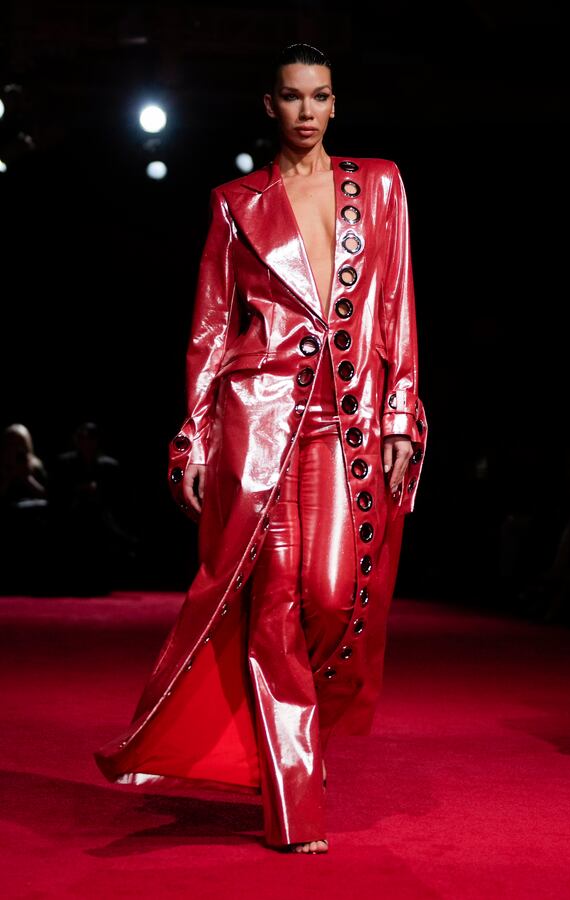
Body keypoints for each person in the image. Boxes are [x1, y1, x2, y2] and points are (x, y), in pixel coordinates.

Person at [94, 42, 428, 855]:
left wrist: (400, 415)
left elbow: (398, 312)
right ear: (268, 105)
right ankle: (292, 795)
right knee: (274, 605)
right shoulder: (234, 203)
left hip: (346, 420)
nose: (306, 111)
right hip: (261, 418)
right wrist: (193, 440)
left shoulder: (378, 186)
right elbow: (210, 331)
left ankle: (293, 741)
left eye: (319, 97)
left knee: (332, 590)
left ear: (335, 104)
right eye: (291, 97)